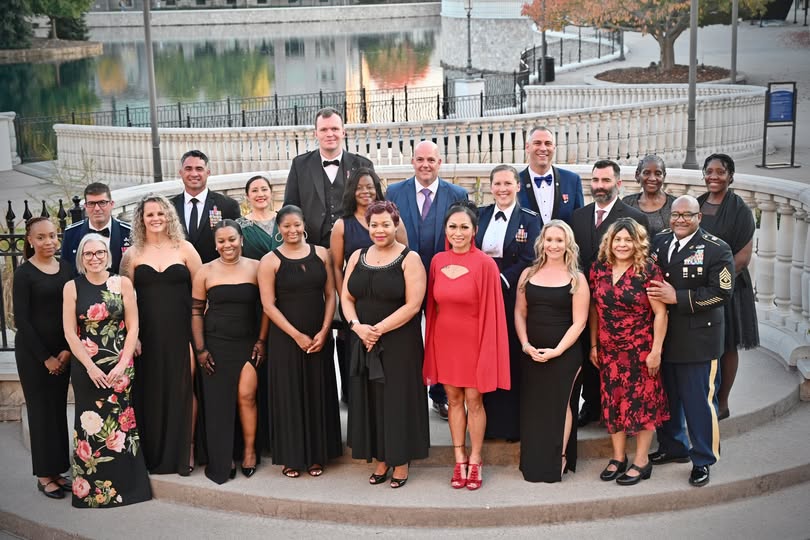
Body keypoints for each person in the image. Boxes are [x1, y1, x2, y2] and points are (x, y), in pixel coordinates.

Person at [647, 195, 734, 488]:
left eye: (687, 215)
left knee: (698, 403)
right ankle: (673, 447)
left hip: (699, 339)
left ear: (699, 217)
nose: (680, 220)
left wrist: (679, 298)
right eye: (676, 214)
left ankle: (703, 459)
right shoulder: (659, 241)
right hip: (665, 337)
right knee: (667, 398)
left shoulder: (716, 248)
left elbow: (722, 292)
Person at [342, 201, 428, 488]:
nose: (380, 230)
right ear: (368, 226)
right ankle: (381, 457)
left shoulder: (409, 258)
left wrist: (376, 330)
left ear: (395, 225)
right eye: (374, 225)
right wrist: (357, 327)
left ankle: (400, 460)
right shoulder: (357, 255)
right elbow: (346, 298)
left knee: (396, 400)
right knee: (371, 398)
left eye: (385, 224)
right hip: (363, 339)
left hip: (398, 342)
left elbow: (414, 305)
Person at [423, 202, 509, 491]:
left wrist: (488, 350)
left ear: (474, 231)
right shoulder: (436, 261)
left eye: (464, 227)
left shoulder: (485, 263)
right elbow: (431, 310)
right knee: (453, 400)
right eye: (452, 226)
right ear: (445, 229)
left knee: (474, 401)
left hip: (475, 342)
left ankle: (476, 459)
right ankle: (459, 457)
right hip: (445, 342)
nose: (458, 232)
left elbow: (493, 312)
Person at [62, 234, 152, 507]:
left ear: (107, 255)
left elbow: (133, 326)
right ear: (81, 258)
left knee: (121, 425)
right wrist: (90, 367)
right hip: (87, 369)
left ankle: (129, 489)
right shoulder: (71, 287)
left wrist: (123, 364)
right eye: (89, 254)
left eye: (100, 252)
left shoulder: (122, 283)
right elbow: (69, 332)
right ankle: (91, 494)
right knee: (89, 425)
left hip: (120, 367)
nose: (95, 258)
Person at [386, 140, 469, 420]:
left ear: (439, 163)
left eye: (431, 160)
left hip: (444, 281)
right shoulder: (394, 192)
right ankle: (408, 393)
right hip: (403, 279)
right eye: (420, 160)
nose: (425, 165)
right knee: (406, 337)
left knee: (442, 338)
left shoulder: (457, 194)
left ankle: (441, 394)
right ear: (412, 162)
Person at [120, 195, 202, 475]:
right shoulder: (132, 255)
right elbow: (124, 299)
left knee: (184, 389)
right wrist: (134, 337)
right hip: (147, 337)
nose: (155, 218)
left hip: (182, 332)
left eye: (160, 213)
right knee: (151, 392)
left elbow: (203, 292)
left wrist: (198, 335)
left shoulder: (186, 249)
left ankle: (186, 448)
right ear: (141, 219)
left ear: (169, 216)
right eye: (149, 214)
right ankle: (152, 451)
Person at [258, 205, 342, 478]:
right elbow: (268, 306)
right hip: (285, 338)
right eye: (286, 226)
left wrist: (325, 329)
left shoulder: (321, 253)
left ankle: (318, 455)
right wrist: (296, 335)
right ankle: (292, 457)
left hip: (319, 335)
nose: (292, 230)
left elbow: (330, 295)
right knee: (289, 394)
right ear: (279, 229)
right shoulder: (270, 260)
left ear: (304, 225)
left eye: (296, 225)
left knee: (318, 390)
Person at [588, 219, 669, 486]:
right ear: (609, 242)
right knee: (614, 403)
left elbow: (660, 313)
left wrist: (656, 351)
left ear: (638, 243)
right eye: (617, 239)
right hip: (609, 351)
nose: (622, 244)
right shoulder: (599, 269)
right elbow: (594, 310)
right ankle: (618, 456)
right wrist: (594, 345)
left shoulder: (648, 271)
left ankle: (642, 461)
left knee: (642, 405)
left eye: (628, 240)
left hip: (640, 351)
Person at [570, 159, 650, 428]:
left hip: (620, 302)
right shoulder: (578, 216)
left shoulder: (635, 217)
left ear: (618, 183)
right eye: (595, 181)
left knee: (618, 360)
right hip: (583, 298)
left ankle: (616, 412)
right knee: (587, 352)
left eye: (605, 181)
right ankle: (591, 405)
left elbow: (641, 259)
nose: (599, 186)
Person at [191, 220, 268, 484]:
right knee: (219, 403)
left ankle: (249, 451)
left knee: (247, 396)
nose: (228, 245)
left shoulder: (257, 268)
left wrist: (261, 340)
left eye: (232, 239)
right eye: (222, 241)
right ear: (215, 244)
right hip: (215, 343)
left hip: (248, 342)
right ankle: (223, 458)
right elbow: (196, 312)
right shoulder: (205, 271)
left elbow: (268, 307)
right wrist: (201, 349)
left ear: (241, 240)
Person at [514, 220, 588, 483]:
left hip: (565, 354)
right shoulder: (528, 273)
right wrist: (525, 344)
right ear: (541, 242)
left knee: (561, 406)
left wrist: (557, 351)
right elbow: (520, 312)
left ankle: (560, 457)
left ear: (568, 243)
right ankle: (534, 458)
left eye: (559, 240)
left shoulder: (577, 278)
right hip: (531, 352)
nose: (554, 245)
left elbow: (580, 322)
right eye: (549, 240)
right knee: (535, 407)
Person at [476, 165, 542, 441]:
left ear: (517, 186)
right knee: (484, 355)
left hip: (511, 294)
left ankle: (511, 425)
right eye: (497, 184)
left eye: (507, 183)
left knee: (510, 356)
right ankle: (487, 425)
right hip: (479, 296)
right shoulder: (478, 216)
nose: (502, 189)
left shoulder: (530, 219)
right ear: (490, 187)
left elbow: (530, 258)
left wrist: (501, 280)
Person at [330, 167, 407, 403]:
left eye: (370, 186)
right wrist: (346, 299)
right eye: (360, 187)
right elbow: (336, 265)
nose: (365, 191)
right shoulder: (342, 225)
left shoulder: (394, 220)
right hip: (357, 303)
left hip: (390, 303)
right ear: (351, 191)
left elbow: (406, 255)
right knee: (358, 356)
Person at [13, 217, 73, 499]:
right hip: (34, 355)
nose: (48, 241)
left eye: (52, 236)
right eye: (41, 237)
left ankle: (58, 471)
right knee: (40, 414)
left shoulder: (67, 269)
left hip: (62, 352)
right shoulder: (24, 274)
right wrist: (45, 357)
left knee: (57, 411)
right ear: (30, 240)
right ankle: (43, 475)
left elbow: (71, 312)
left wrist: (65, 350)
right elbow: (22, 321)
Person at [696, 153, 758, 420]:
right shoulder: (696, 205)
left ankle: (722, 402)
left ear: (730, 176)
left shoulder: (740, 209)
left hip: (728, 288)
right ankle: (702, 398)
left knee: (727, 344)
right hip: (699, 286)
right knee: (702, 345)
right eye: (709, 171)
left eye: (720, 172)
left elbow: (742, 258)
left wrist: (716, 283)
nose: (714, 176)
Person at [283, 107, 374, 248]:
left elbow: (374, 206)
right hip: (312, 245)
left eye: (335, 129)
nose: (330, 134)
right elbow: (290, 206)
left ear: (343, 132)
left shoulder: (362, 164)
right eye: (324, 130)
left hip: (355, 243)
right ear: (316, 134)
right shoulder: (300, 165)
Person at [170, 149, 241, 264]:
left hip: (217, 274)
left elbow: (237, 244)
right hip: (180, 276)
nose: (194, 174)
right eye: (188, 169)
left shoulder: (227, 205)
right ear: (181, 173)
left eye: (199, 169)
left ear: (208, 173)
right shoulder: (169, 207)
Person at [517, 126, 584, 225]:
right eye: (537, 143)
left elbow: (580, 221)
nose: (543, 148)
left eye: (548, 143)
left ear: (554, 147)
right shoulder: (514, 181)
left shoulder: (572, 180)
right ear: (527, 147)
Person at [61, 182, 132, 274]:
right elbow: (66, 271)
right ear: (85, 206)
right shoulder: (71, 234)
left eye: (102, 202)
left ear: (111, 204)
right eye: (91, 203)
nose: (97, 208)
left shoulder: (128, 232)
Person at [622, 155, 676, 236]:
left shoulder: (674, 205)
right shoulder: (627, 203)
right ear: (637, 175)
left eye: (658, 174)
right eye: (646, 173)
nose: (652, 178)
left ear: (664, 176)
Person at [237, 174, 280, 260]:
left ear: (271, 193)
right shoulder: (239, 225)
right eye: (254, 190)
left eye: (264, 189)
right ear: (247, 196)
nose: (260, 194)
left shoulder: (283, 219)